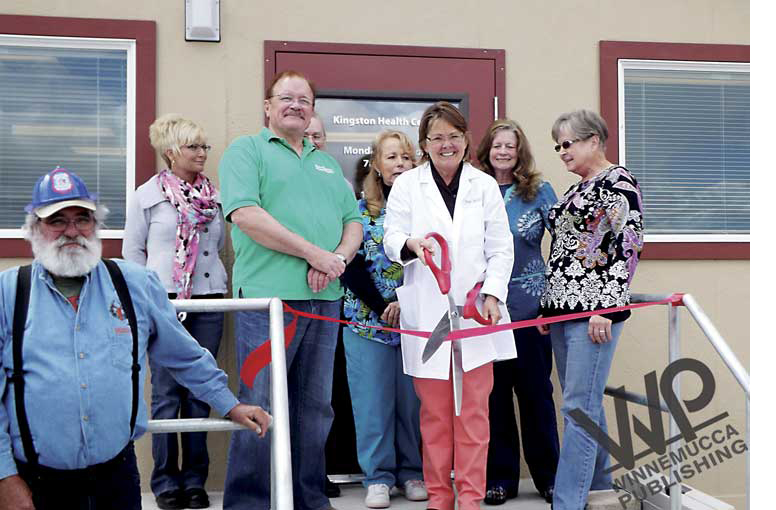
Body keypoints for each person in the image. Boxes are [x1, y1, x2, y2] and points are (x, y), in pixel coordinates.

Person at [0, 167, 271, 510]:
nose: (72, 231)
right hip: (35, 483)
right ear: (35, 229)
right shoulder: (8, 294)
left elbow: (184, 355)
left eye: (82, 219)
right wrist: (5, 478)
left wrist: (229, 403)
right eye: (57, 221)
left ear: (96, 225)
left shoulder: (134, 285)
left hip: (117, 477)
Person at [218, 70, 362, 510]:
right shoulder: (247, 151)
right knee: (259, 403)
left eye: (305, 99)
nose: (296, 105)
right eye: (287, 97)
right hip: (269, 303)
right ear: (268, 106)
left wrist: (335, 257)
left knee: (315, 409)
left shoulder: (325, 163)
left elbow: (352, 223)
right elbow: (245, 215)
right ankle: (250, 504)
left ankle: (308, 499)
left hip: (323, 302)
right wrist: (314, 255)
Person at [383, 102, 515, 510]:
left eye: (453, 137)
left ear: (465, 140)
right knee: (436, 417)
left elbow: (501, 247)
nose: (446, 144)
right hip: (429, 311)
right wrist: (411, 244)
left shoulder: (483, 185)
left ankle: (470, 501)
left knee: (474, 415)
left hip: (477, 313)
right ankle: (439, 499)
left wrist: (492, 293)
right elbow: (391, 235)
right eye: (437, 137)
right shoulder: (408, 185)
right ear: (425, 143)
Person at [537, 109, 643, 510]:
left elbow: (628, 244)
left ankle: (567, 501)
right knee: (585, 403)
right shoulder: (573, 189)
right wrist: (549, 308)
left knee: (578, 408)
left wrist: (608, 307)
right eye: (558, 145)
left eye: (568, 143)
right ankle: (600, 487)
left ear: (594, 141)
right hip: (563, 313)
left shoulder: (617, 181)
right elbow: (565, 255)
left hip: (594, 315)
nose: (562, 152)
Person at [122, 114, 228, 510]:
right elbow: (133, 255)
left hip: (209, 300)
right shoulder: (147, 196)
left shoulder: (213, 197)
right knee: (167, 394)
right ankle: (166, 481)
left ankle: (195, 480)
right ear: (171, 152)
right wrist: (144, 299)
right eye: (194, 147)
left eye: (204, 146)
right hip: (164, 301)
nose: (202, 153)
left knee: (200, 390)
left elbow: (217, 250)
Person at [475, 119, 560, 505]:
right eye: (497, 146)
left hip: (530, 312)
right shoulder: (472, 190)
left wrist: (551, 305)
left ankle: (548, 477)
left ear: (520, 150)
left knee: (536, 397)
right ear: (486, 150)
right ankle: (500, 480)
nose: (503, 152)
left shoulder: (540, 192)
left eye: (510, 146)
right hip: (486, 314)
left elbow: (563, 248)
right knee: (493, 401)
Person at [341, 131, 426, 509]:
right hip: (366, 320)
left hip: (414, 319)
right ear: (376, 164)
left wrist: (404, 303)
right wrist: (382, 305)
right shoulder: (358, 210)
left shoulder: (423, 211)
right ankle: (377, 476)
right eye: (391, 157)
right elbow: (349, 266)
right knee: (372, 402)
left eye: (406, 157)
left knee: (412, 404)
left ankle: (411, 472)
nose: (399, 164)